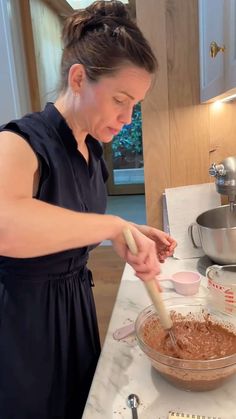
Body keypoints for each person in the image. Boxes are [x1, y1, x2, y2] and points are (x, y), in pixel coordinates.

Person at [0, 1, 176, 418]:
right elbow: (6, 225)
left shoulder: (91, 151)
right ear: (78, 78)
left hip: (75, 306)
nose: (127, 117)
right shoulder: (19, 142)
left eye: (135, 105)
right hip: (24, 328)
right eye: (120, 99)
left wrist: (129, 231)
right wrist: (113, 225)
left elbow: (69, 224)